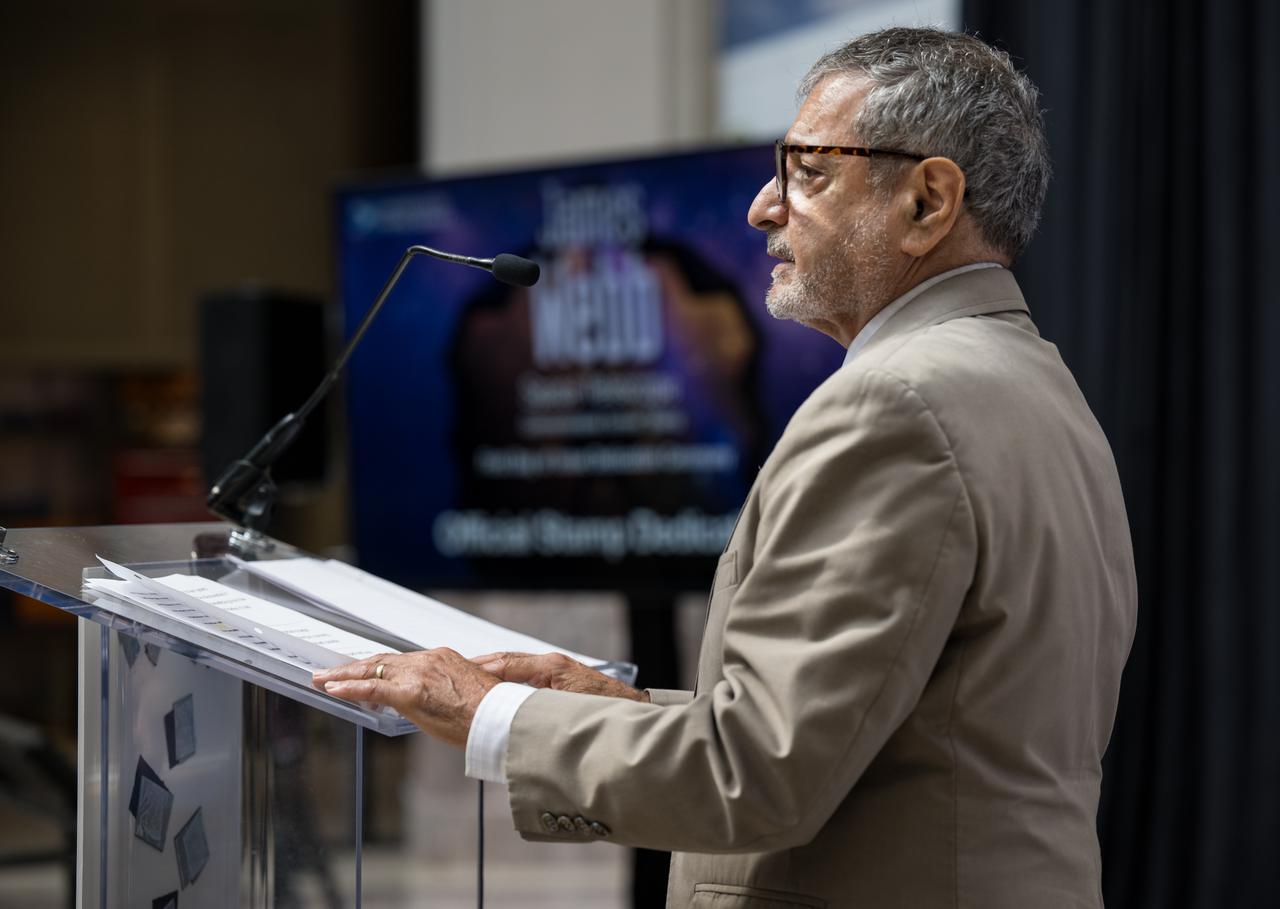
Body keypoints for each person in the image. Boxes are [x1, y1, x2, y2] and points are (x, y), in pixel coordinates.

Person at [315, 27, 1137, 908]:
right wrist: (596, 701)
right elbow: (895, 741)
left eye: (808, 172)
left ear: (928, 202)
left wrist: (488, 714)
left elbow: (758, 774)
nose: (762, 207)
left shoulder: (893, 406)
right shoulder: (1038, 384)